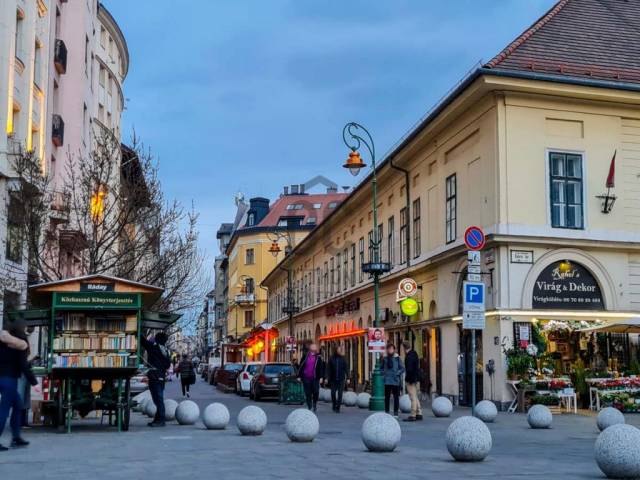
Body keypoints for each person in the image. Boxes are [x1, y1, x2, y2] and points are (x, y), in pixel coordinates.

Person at [0, 322, 37, 450]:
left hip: (2, 378)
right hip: (9, 379)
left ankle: (16, 437)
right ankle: (15, 438)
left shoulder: (3, 341)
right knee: (3, 410)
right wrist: (33, 381)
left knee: (18, 405)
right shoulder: (20, 344)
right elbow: (24, 365)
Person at [140, 332, 171, 427]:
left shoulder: (154, 348)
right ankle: (157, 419)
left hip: (154, 376)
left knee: (158, 399)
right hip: (161, 377)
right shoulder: (166, 351)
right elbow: (167, 365)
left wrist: (139, 331)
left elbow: (143, 342)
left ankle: (161, 420)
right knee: (159, 398)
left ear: (157, 339)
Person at [298, 343, 324, 411]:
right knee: (307, 392)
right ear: (310, 349)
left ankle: (314, 403)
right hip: (306, 377)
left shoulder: (318, 358)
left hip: (315, 378)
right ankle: (309, 405)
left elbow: (321, 368)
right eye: (312, 348)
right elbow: (301, 366)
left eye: (315, 348)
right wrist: (299, 376)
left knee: (316, 391)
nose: (313, 350)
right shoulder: (305, 356)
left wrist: (321, 377)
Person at [382, 343, 404, 417]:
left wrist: (397, 373)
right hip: (387, 380)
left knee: (396, 397)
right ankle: (387, 411)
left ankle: (395, 413)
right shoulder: (385, 358)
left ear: (394, 350)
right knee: (387, 397)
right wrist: (384, 374)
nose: (390, 350)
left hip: (395, 381)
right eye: (388, 349)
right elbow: (381, 368)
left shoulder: (397, 358)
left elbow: (402, 368)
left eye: (391, 349)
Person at [402, 341, 423, 421]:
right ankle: (419, 413)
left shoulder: (408, 356)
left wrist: (409, 379)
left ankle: (413, 415)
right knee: (415, 396)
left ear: (404, 348)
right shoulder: (414, 354)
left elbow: (410, 369)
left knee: (412, 397)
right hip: (417, 378)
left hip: (411, 379)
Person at [326, 346, 347, 413]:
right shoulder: (331, 359)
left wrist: (348, 377)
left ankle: (338, 407)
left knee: (340, 394)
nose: (340, 351)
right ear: (335, 350)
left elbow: (346, 368)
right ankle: (334, 404)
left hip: (341, 379)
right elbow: (328, 369)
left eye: (340, 350)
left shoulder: (343, 359)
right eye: (338, 350)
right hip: (333, 379)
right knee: (333, 393)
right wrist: (327, 378)